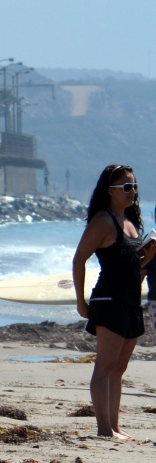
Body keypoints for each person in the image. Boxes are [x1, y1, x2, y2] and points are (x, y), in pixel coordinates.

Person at [72, 165, 155, 442]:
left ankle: (115, 427)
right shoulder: (103, 221)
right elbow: (79, 259)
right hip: (108, 299)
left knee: (119, 368)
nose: (133, 192)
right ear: (110, 191)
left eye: (134, 187)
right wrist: (80, 301)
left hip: (131, 301)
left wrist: (149, 257)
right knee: (105, 366)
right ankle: (104, 429)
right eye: (126, 187)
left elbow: (134, 271)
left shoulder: (131, 223)